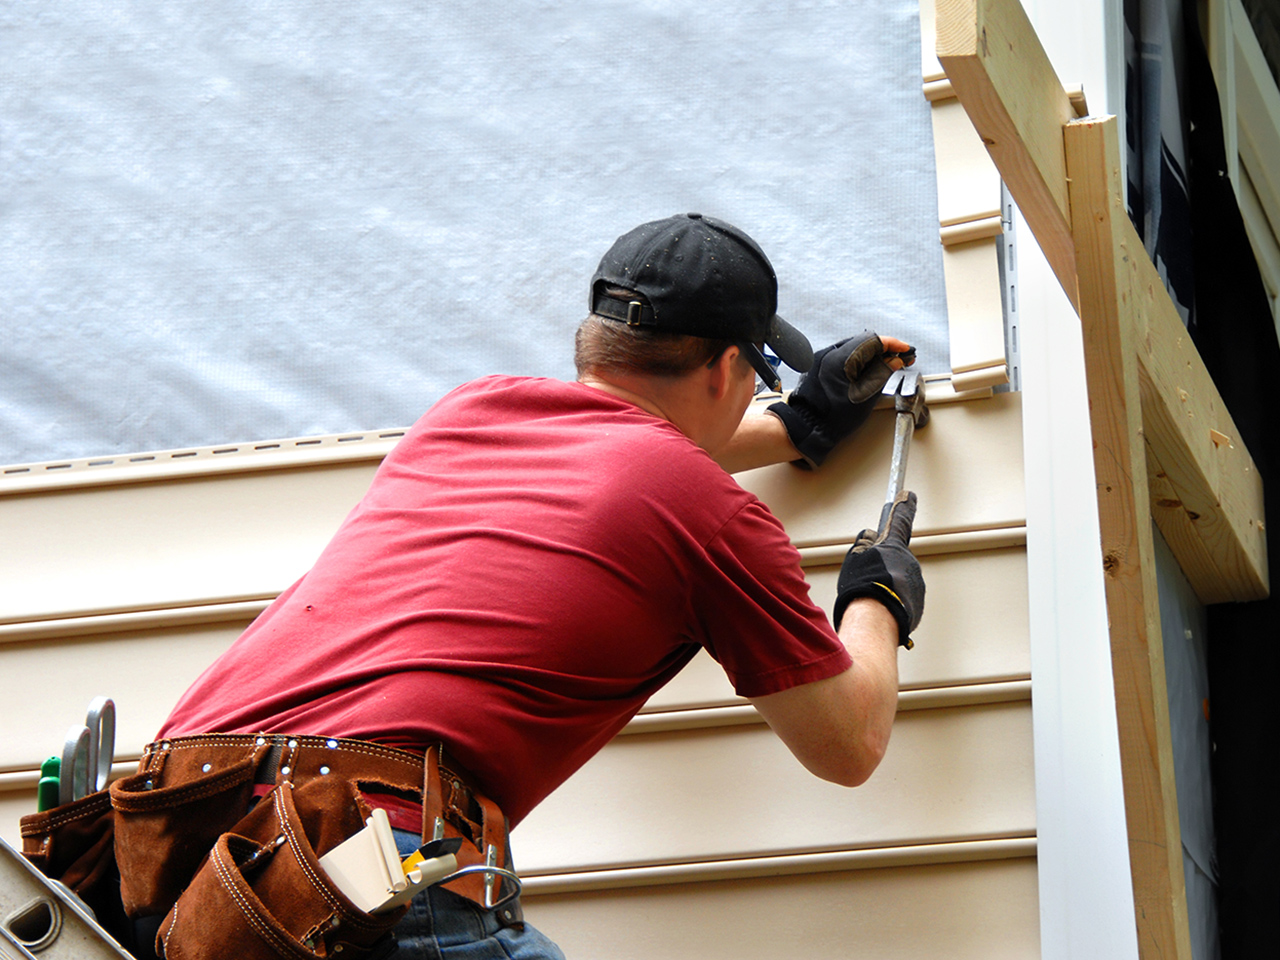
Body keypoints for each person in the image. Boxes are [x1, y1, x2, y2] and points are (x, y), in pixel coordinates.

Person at [139, 213, 925, 959]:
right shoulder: (709, 513)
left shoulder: (469, 414)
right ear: (727, 370)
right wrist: (875, 602)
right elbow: (848, 744)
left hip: (176, 831)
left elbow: (616, 466)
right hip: (353, 846)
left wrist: (798, 427)